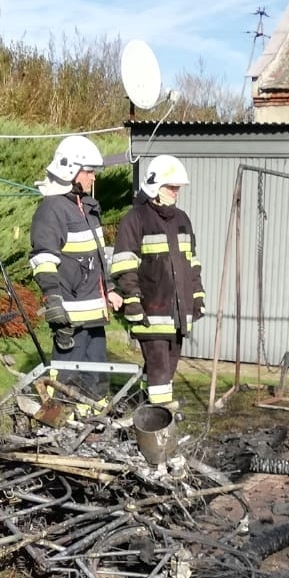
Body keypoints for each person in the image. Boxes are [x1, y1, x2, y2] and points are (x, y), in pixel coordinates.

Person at [30, 134, 118, 407]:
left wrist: (111, 288)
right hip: (71, 316)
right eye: (89, 172)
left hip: (95, 315)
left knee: (97, 375)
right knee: (68, 377)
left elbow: (97, 257)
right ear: (71, 170)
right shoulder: (52, 209)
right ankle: (64, 423)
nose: (93, 178)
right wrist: (53, 300)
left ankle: (95, 423)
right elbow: (43, 257)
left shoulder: (88, 209)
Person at [110, 154, 204, 410]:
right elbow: (124, 265)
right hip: (150, 311)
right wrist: (133, 302)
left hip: (177, 313)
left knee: (164, 368)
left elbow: (192, 263)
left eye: (178, 188)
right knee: (160, 368)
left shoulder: (182, 220)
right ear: (154, 186)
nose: (176, 192)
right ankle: (162, 424)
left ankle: (142, 410)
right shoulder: (136, 219)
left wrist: (197, 296)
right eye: (171, 187)